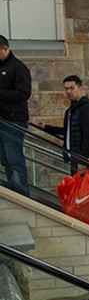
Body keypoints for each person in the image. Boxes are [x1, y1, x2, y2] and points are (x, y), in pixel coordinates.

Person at [42, 75, 89, 174]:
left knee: (86, 188)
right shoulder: (70, 111)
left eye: (72, 88)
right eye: (66, 89)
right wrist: (46, 127)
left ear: (80, 88)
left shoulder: (87, 108)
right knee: (77, 188)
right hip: (75, 158)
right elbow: (68, 131)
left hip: (85, 160)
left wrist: (83, 161)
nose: (69, 91)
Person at [0, 35, 32, 197]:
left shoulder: (18, 67)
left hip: (13, 121)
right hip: (2, 120)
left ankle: (21, 192)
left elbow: (24, 93)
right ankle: (13, 189)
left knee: (14, 158)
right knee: (5, 158)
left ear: (5, 49)